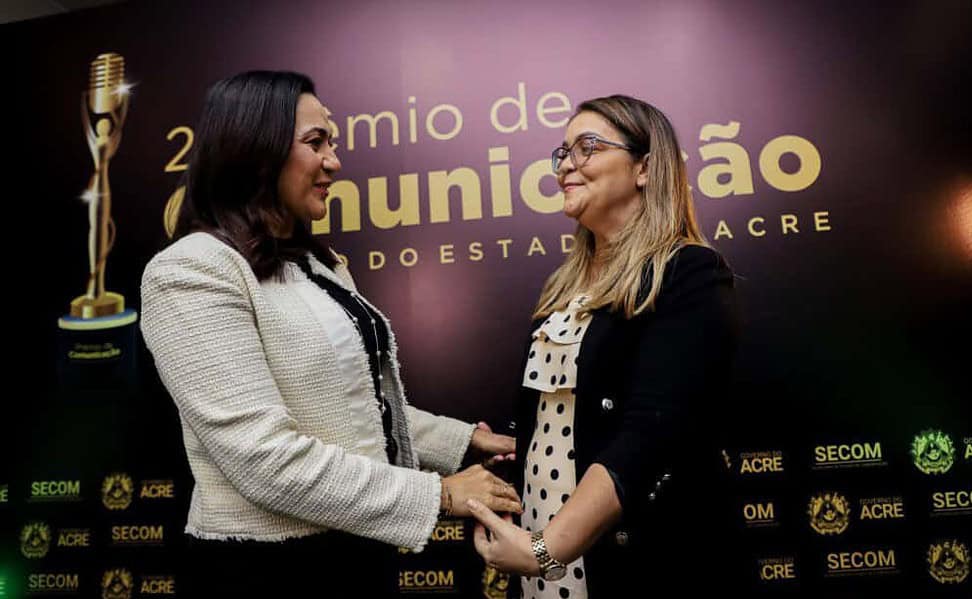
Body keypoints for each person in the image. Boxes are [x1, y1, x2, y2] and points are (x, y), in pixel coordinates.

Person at [139, 71, 519, 596]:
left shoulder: (318, 264)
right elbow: (261, 458)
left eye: (331, 143)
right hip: (265, 570)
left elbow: (350, 407)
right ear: (257, 149)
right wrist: (439, 494)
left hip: (357, 546)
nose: (334, 161)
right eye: (315, 142)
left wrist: (465, 440)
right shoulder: (190, 269)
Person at [467, 95, 740, 597]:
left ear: (644, 168)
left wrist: (546, 548)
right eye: (563, 152)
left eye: (587, 147)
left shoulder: (689, 272)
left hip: (624, 555)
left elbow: (651, 435)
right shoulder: (561, 286)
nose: (565, 165)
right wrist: (515, 455)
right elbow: (565, 419)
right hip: (542, 547)